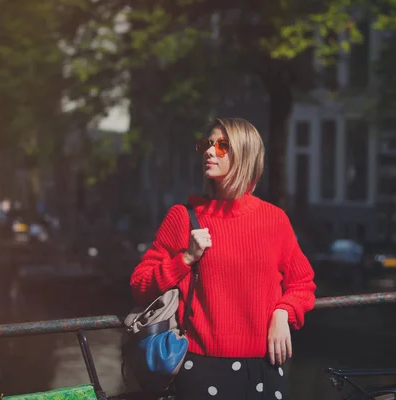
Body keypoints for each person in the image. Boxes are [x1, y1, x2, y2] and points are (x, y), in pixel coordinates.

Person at [130, 118, 316, 399]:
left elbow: (302, 283)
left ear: (245, 153)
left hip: (264, 370)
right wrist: (186, 258)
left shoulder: (274, 220)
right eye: (207, 144)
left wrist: (283, 312)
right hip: (200, 369)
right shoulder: (183, 217)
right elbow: (140, 284)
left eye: (222, 146)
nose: (209, 151)